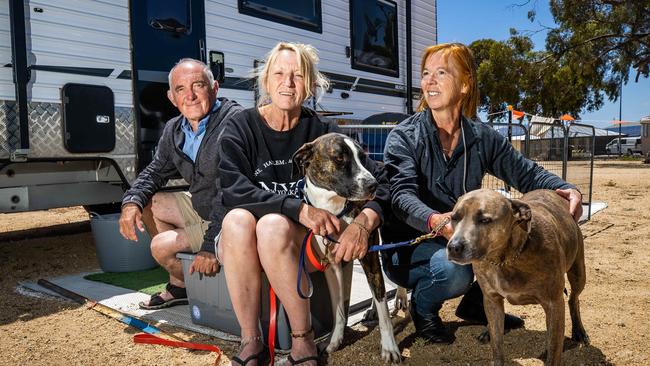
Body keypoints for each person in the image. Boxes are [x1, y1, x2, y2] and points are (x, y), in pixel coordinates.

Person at [381, 43, 583, 344]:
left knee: (501, 236)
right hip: (410, 245)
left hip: (461, 235)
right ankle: (423, 310)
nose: (429, 81)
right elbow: (400, 196)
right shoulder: (404, 137)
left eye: (441, 72)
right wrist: (437, 221)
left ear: (464, 84)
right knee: (455, 270)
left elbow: (526, 172)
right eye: (425, 73)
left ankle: (475, 304)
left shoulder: (481, 136)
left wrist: (567, 188)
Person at [216, 42, 389, 365]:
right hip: (240, 243)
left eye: (298, 75)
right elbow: (232, 189)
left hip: (296, 244)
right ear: (266, 81)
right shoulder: (241, 127)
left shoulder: (322, 132)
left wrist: (364, 223)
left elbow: (380, 182)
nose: (288, 83)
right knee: (238, 220)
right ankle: (251, 340)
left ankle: (302, 340)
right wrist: (299, 209)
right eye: (279, 74)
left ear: (310, 85)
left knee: (272, 225)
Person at [119, 58, 243, 309]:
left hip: (231, 215)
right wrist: (131, 201)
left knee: (160, 247)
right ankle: (181, 285)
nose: (191, 96)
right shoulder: (175, 128)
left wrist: (209, 245)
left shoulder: (234, 122)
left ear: (215, 88)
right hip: (203, 207)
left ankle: (214, 272)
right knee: (149, 202)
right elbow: (155, 171)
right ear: (171, 97)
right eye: (181, 89)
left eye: (198, 85)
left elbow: (234, 190)